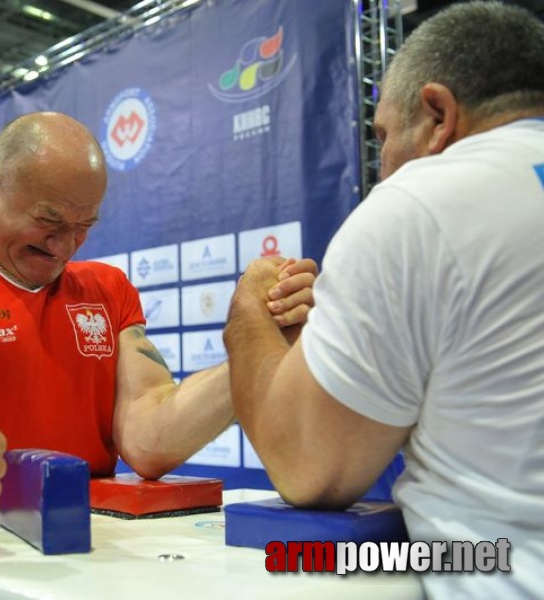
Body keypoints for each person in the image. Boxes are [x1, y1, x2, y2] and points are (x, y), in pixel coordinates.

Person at [0, 111, 317, 525]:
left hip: (74, 564)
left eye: (84, 225)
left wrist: (254, 346)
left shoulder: (107, 291)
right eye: (48, 219)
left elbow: (148, 438)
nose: (64, 244)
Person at [223, 2, 544, 597]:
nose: (383, 165)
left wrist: (247, 310)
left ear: (438, 115)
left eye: (384, 136)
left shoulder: (422, 203)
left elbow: (308, 469)